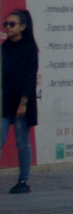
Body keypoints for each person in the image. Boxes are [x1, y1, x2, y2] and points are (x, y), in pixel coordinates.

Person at [1, 10, 37, 194]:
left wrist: (23, 102)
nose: (8, 27)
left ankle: (24, 181)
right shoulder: (5, 47)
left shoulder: (30, 47)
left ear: (23, 26)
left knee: (22, 142)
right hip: (4, 103)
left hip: (22, 103)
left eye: (12, 24)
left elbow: (30, 78)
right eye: (5, 24)